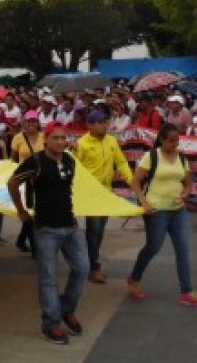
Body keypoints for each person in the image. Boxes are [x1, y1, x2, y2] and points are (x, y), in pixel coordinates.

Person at [7, 121, 88, 345]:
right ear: (46, 139)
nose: (61, 142)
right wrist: (21, 210)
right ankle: (50, 324)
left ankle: (65, 309)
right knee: (48, 279)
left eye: (64, 138)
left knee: (83, 269)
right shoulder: (36, 162)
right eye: (56, 138)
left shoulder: (70, 161)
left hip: (70, 225)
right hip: (46, 229)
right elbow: (12, 182)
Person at [126, 123, 197, 308]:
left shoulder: (181, 158)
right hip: (156, 210)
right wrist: (144, 202)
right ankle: (134, 278)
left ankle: (187, 291)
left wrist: (186, 192)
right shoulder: (151, 156)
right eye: (171, 141)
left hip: (178, 210)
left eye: (177, 141)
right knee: (153, 247)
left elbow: (188, 182)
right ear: (162, 139)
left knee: (183, 249)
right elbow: (135, 181)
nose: (175, 145)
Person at [72, 109, 133, 284]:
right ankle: (93, 267)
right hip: (91, 195)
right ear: (89, 125)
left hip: (106, 193)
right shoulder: (82, 143)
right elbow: (73, 166)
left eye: (106, 121)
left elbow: (121, 162)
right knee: (94, 232)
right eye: (99, 122)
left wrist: (132, 181)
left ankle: (89, 263)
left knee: (99, 232)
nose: (104, 124)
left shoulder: (111, 140)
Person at [10, 110, 44, 255]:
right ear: (24, 123)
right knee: (29, 211)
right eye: (28, 121)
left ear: (38, 123)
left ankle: (21, 240)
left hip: (41, 179)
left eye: (33, 121)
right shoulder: (18, 138)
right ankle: (35, 248)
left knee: (36, 211)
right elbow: (13, 159)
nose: (31, 124)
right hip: (23, 180)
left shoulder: (44, 137)